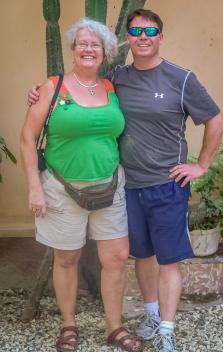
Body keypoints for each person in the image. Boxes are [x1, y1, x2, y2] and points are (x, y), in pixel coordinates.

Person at [27, 9, 223, 352]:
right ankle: (98, 322)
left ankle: (143, 327)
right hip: (96, 186)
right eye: (136, 30)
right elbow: (39, 127)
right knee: (102, 258)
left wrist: (201, 166)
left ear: (160, 36)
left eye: (150, 30)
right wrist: (38, 95)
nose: (143, 36)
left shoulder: (149, 80)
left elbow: (215, 120)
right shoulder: (90, 82)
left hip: (142, 186)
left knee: (143, 259)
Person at [21, 18, 143, 352]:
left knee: (116, 257)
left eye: (96, 45)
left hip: (110, 185)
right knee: (67, 258)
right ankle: (68, 325)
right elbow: (27, 139)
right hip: (63, 188)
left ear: (104, 53)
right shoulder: (51, 87)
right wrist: (34, 187)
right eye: (82, 44)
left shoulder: (111, 87)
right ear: (73, 50)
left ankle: (115, 327)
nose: (89, 49)